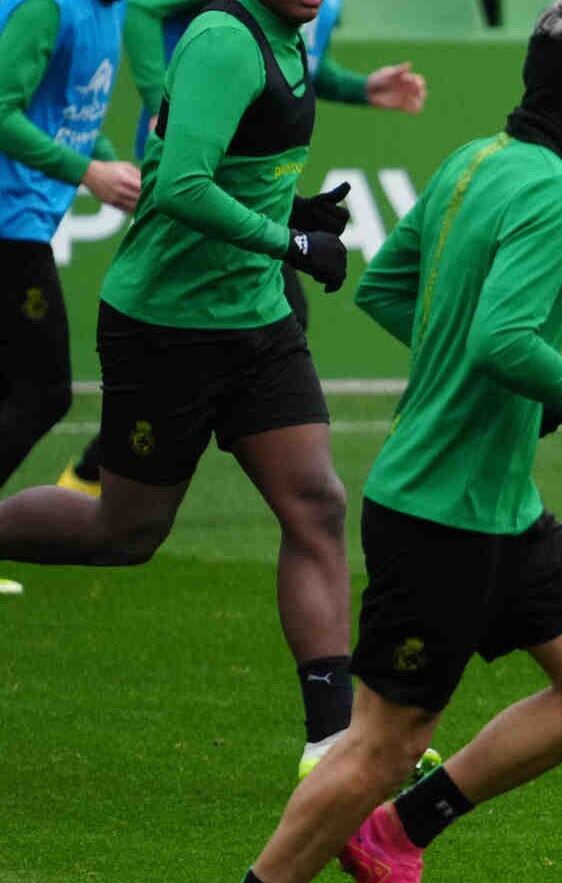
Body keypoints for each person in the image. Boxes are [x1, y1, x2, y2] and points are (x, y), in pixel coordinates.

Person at [180, 3, 562, 883]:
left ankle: (397, 837)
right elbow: (503, 342)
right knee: (379, 746)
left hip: (503, 507)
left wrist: (491, 379)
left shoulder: (472, 160)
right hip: (441, 515)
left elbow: (385, 289)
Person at [0, 0, 362, 777]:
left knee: (317, 504)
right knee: (124, 533)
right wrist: (293, 240)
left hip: (257, 321)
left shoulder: (290, 41)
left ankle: (334, 740)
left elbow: (203, 168)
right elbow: (183, 188)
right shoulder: (225, 39)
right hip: (167, 327)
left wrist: (286, 209)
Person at [54, 0, 427, 496]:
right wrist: (157, 99)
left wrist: (361, 89)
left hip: (233, 211)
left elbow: (301, 71)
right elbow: (143, 11)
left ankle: (110, 460)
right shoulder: (223, 36)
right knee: (116, 511)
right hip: (192, 178)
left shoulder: (312, 12)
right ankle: (103, 465)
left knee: (317, 505)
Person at [0, 0, 138, 595]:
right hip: (8, 224)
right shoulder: (46, 8)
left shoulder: (113, 11)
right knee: (42, 389)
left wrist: (110, 165)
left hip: (23, 221)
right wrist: (87, 174)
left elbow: (65, 111)